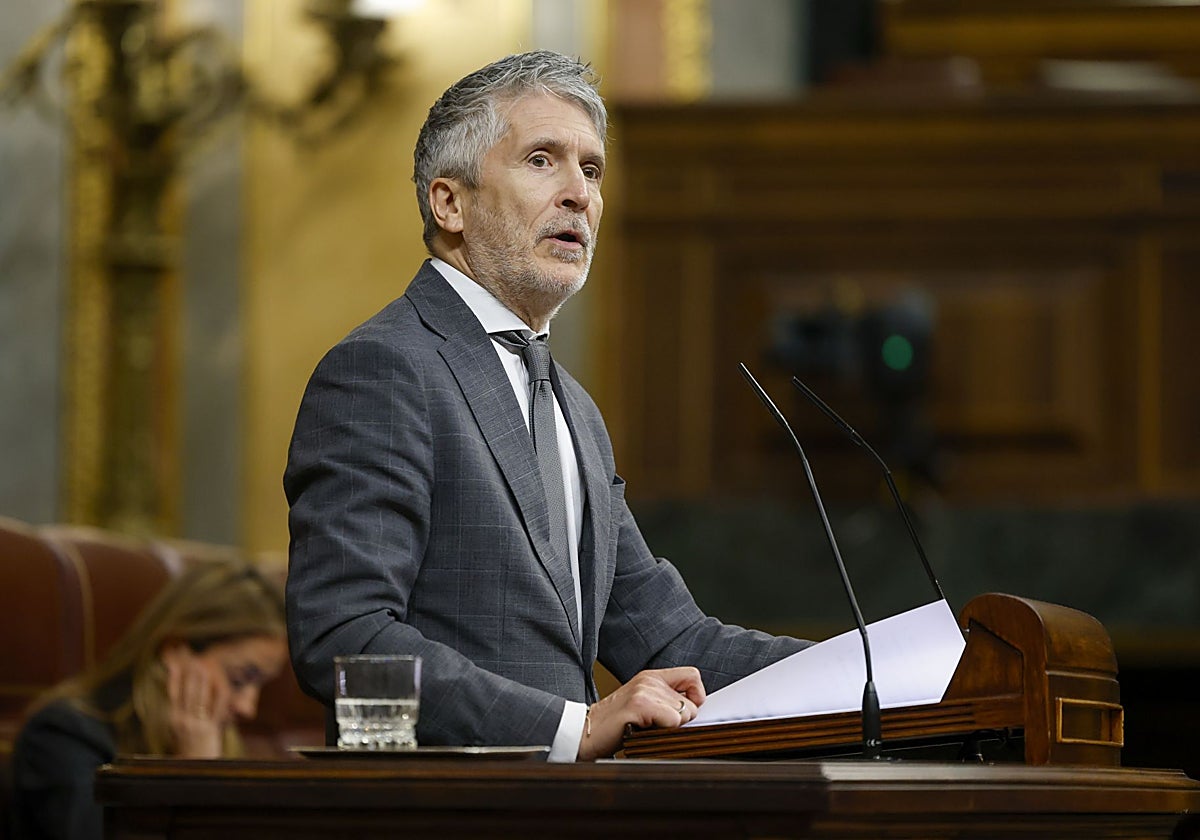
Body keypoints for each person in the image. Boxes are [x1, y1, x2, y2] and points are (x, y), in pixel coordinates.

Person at [284, 50, 810, 762]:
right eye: (542, 160)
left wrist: (879, 673)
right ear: (450, 203)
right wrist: (573, 728)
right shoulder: (384, 370)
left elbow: (671, 642)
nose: (579, 195)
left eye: (591, 170)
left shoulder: (575, 410)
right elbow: (343, 642)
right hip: (436, 813)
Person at [10, 560, 288, 840]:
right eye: (239, 679)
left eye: (260, 685)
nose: (247, 708)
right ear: (175, 651)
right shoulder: (64, 737)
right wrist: (197, 774)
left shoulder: (222, 742)